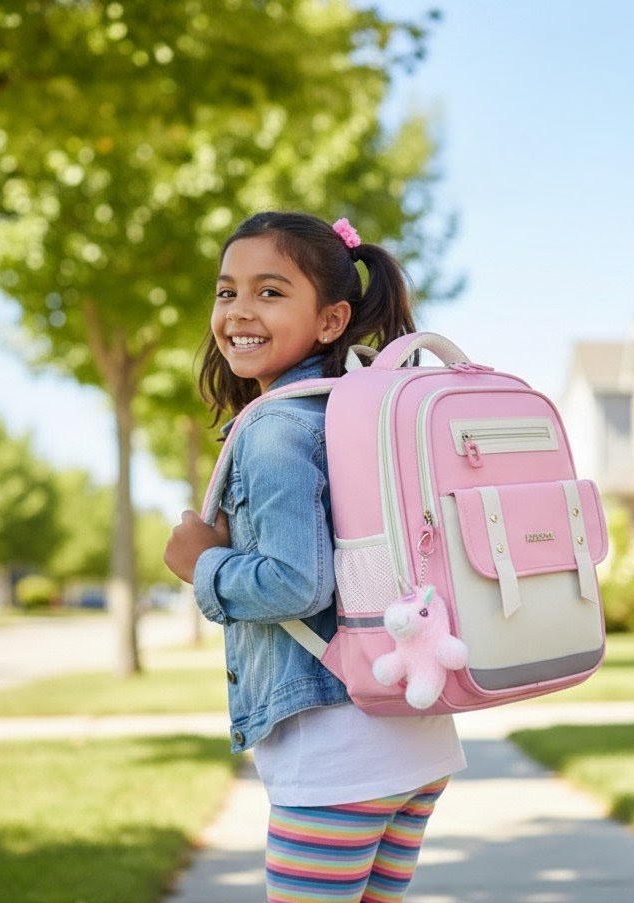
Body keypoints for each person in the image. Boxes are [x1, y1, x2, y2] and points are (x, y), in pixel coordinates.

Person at [163, 211, 465, 903]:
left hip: (337, 749)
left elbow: (296, 581)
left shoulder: (275, 426)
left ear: (331, 320)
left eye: (270, 292)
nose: (239, 310)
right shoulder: (361, 406)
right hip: (414, 734)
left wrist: (202, 565)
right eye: (226, 291)